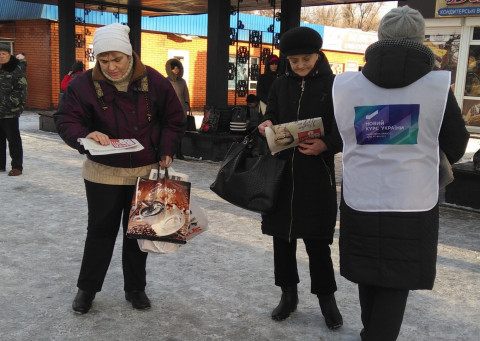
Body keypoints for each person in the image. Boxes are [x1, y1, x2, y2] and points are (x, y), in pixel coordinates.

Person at [332, 6, 469, 341]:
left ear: (379, 39)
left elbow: (338, 135)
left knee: (368, 270)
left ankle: (371, 332)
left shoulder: (347, 86)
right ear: (420, 40)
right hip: (413, 198)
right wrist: (418, 158)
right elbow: (456, 141)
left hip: (360, 195)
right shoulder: (437, 87)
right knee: (398, 276)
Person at [54, 23, 186, 314]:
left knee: (138, 233)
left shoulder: (154, 81)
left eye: (117, 59)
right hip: (103, 171)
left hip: (145, 169)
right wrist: (84, 135)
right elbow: (66, 119)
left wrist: (166, 149)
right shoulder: (82, 85)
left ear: (129, 55)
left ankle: (135, 289)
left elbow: (174, 119)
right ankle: (87, 289)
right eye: (103, 60)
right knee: (100, 232)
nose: (111, 67)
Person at [257, 27, 344, 330]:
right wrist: (266, 123)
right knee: (283, 241)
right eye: (294, 61)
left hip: (316, 178)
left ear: (318, 55)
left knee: (317, 244)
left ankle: (327, 300)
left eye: (306, 59)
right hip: (282, 175)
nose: (301, 65)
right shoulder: (280, 84)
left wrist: (327, 145)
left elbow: (344, 130)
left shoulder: (335, 86)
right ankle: (288, 296)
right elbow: (270, 115)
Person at [0, 43, 27, 176]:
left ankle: (17, 166)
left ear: (9, 55)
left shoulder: (16, 71)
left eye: (3, 54)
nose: (1, 56)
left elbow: (21, 91)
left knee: (13, 140)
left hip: (10, 113)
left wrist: (8, 103)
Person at [165, 58, 190, 160]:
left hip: (181, 111)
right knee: (170, 133)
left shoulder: (182, 82)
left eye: (178, 69)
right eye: (174, 69)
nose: (176, 71)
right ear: (170, 69)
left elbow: (186, 95)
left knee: (180, 132)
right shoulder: (166, 81)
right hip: (169, 111)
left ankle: (179, 152)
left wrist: (187, 106)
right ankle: (170, 152)